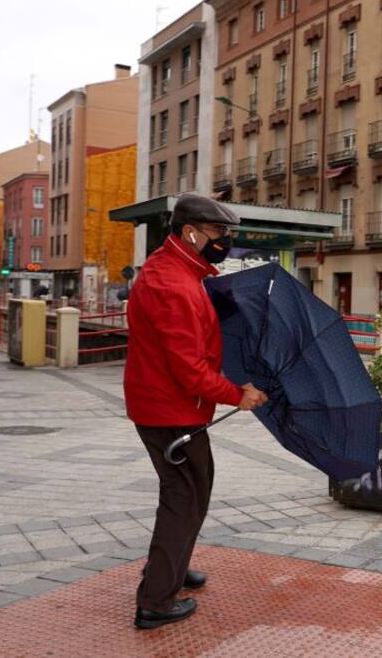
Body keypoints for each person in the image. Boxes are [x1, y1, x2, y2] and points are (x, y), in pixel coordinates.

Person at [123, 195, 268, 630]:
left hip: (167, 405)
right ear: (191, 233)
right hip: (171, 410)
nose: (225, 241)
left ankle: (171, 566)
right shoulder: (174, 285)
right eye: (219, 232)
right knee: (185, 498)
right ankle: (156, 601)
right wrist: (237, 395)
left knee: (187, 492)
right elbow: (189, 370)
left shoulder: (176, 270)